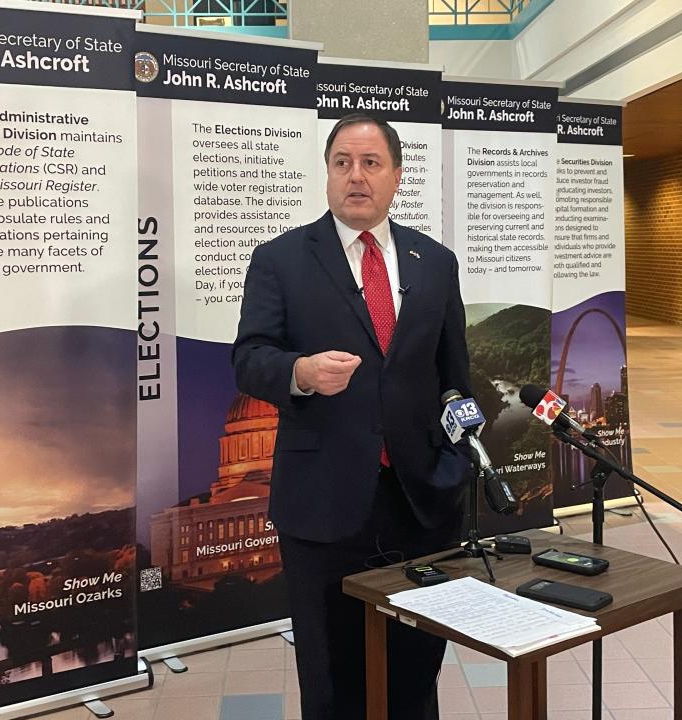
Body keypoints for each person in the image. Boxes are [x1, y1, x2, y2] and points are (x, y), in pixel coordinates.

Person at [232, 112, 472, 720]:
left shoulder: (434, 262)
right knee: (333, 674)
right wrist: (301, 373)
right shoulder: (281, 259)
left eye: (371, 163)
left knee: (417, 664)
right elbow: (249, 358)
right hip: (324, 502)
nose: (355, 177)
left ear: (396, 175)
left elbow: (454, 375)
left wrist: (452, 462)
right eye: (343, 163)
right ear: (327, 174)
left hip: (420, 500)